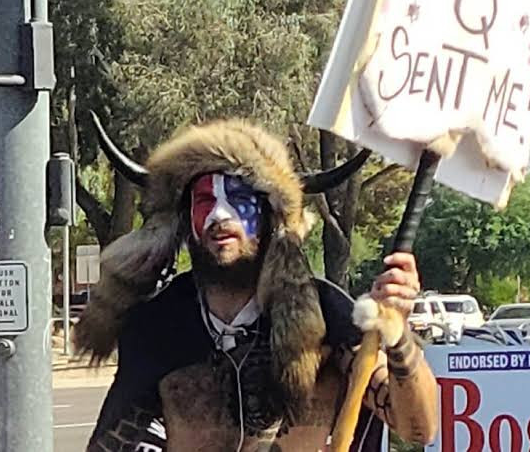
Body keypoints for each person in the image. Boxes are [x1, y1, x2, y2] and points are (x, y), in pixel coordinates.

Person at [74, 118, 438, 452]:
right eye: (205, 201)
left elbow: (419, 429)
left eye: (238, 199)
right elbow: (114, 442)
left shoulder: (327, 312)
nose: (220, 215)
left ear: (269, 216)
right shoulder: (158, 324)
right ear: (186, 219)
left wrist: (397, 336)